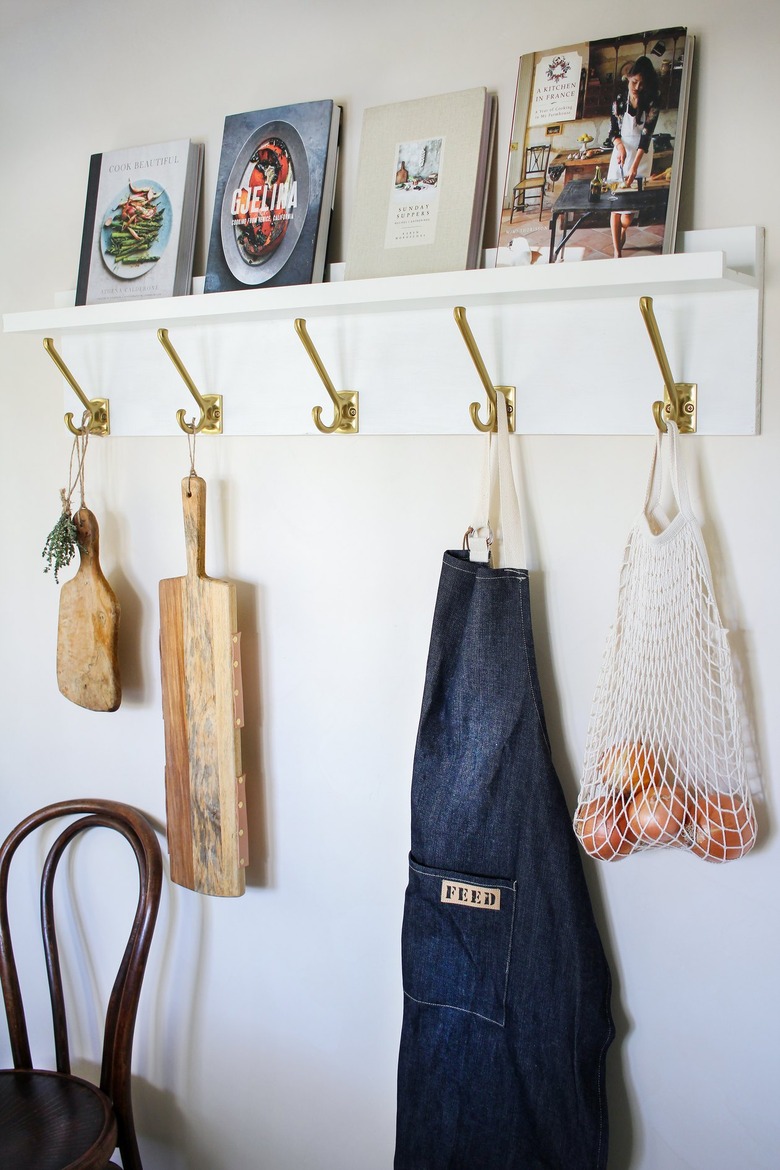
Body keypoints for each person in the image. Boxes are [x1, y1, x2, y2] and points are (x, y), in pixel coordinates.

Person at [607, 56, 660, 257]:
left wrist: (634, 165)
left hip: (640, 154)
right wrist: (620, 147)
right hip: (621, 153)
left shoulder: (652, 101)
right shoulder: (619, 102)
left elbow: (646, 137)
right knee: (615, 204)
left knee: (627, 214)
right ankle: (616, 252)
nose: (637, 86)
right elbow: (613, 132)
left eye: (641, 83)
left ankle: (624, 228)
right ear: (628, 78)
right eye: (633, 81)